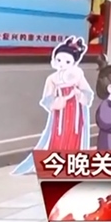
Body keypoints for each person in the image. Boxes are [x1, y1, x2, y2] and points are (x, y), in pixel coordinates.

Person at [13, 37, 94, 175]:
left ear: (74, 62)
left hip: (76, 111)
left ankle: (73, 163)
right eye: (59, 60)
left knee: (75, 134)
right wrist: (58, 101)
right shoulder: (52, 79)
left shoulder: (78, 75)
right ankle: (56, 163)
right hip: (60, 113)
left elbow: (88, 93)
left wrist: (79, 94)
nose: (62, 64)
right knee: (58, 134)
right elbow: (47, 98)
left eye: (67, 61)